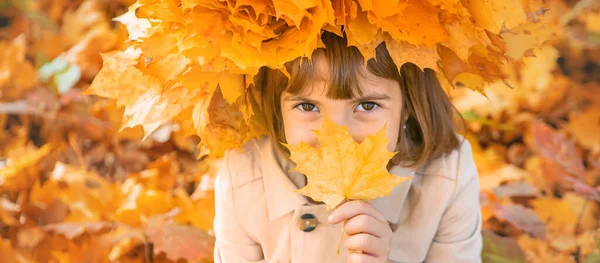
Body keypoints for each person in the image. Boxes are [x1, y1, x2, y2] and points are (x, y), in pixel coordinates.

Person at [213, 31, 482, 263]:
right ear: (277, 110)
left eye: (367, 105)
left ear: (408, 106)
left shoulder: (447, 176)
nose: (335, 136)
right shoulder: (243, 179)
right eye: (308, 106)